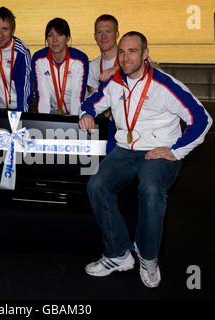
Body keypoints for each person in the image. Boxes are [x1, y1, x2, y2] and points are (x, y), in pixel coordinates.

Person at [79, 31, 212, 288]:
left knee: (150, 189)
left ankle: (148, 256)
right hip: (125, 150)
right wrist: (86, 112)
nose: (125, 58)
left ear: (145, 54)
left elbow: (202, 118)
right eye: (121, 52)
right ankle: (118, 254)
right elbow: (93, 101)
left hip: (159, 151)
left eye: (132, 51)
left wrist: (176, 149)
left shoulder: (164, 84)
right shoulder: (115, 81)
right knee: (97, 186)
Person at [31, 18, 89, 115]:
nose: (55, 40)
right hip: (53, 112)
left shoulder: (80, 60)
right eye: (50, 35)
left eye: (60, 34)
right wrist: (44, 123)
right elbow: (43, 96)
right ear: (46, 39)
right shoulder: (38, 59)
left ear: (67, 38)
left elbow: (77, 97)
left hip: (78, 111)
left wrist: (74, 125)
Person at [87, 14, 119, 95]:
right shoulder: (93, 67)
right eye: (99, 32)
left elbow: (154, 68)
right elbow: (94, 101)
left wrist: (120, 68)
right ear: (95, 36)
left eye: (108, 31)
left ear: (117, 35)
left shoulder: (131, 59)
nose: (103, 36)